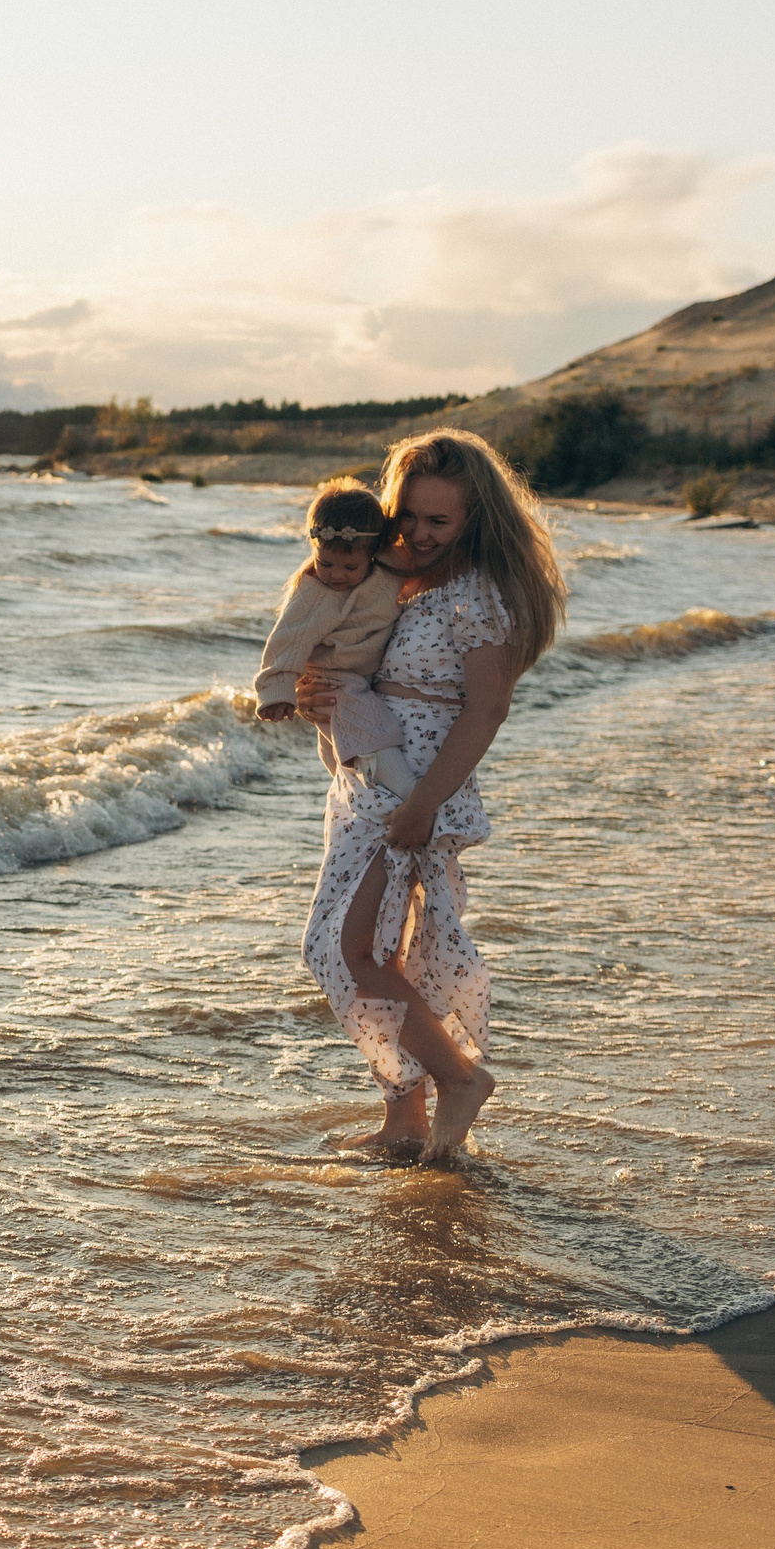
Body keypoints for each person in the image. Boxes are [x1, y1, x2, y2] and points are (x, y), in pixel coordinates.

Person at [295, 430, 566, 1163]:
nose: (417, 531)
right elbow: (359, 664)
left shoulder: (480, 593)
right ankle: (404, 1118)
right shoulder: (399, 577)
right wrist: (320, 693)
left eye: (437, 522)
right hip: (368, 781)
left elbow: (486, 710)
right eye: (408, 515)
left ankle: (460, 1078)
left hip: (418, 791)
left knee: (346, 948)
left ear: (476, 519)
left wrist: (426, 805)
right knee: (383, 949)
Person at [254, 479, 415, 797]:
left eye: (349, 566)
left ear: (373, 552)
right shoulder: (313, 592)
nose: (336, 574)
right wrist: (278, 692)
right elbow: (287, 641)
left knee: (337, 753)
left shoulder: (388, 570)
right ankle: (408, 793)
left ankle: (360, 800)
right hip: (335, 678)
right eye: (325, 563)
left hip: (365, 675)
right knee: (370, 731)